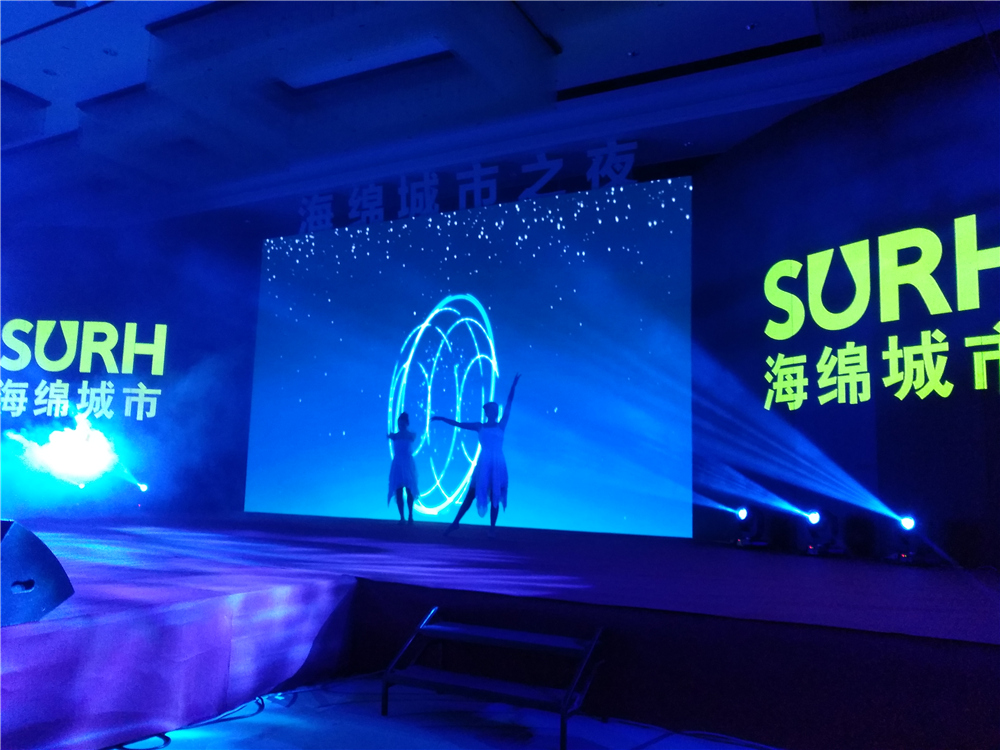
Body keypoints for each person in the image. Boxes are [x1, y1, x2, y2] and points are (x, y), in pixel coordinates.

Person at [433, 374, 520, 537]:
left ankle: (492, 529)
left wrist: (513, 386)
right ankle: (455, 523)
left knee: (495, 493)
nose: (493, 412)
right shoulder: (479, 426)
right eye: (490, 410)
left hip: (497, 462)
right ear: (487, 412)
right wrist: (442, 418)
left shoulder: (501, 425)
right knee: (472, 493)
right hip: (484, 462)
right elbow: (459, 424)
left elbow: (509, 404)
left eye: (494, 410)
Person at [387, 412, 418, 524]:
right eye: (399, 424)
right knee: (398, 490)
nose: (401, 426)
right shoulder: (395, 436)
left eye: (402, 424)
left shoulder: (411, 435)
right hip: (398, 464)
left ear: (407, 424)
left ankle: (410, 515)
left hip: (407, 464)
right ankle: (402, 517)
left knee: (410, 490)